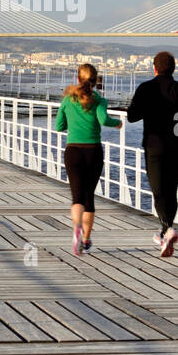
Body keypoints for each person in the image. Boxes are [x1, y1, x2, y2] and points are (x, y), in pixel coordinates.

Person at [126, 51, 178, 258]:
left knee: (158, 190)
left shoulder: (145, 88)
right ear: (173, 69)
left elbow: (132, 116)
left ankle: (166, 230)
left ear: (154, 68)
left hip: (154, 145)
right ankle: (166, 231)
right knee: (171, 188)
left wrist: (145, 110)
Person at [54, 62, 121, 256]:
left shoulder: (68, 99)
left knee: (77, 196)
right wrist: (117, 123)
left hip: (73, 151)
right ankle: (85, 240)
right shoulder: (99, 100)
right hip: (93, 151)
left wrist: (73, 125)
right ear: (95, 80)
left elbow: (59, 126)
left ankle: (76, 227)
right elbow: (104, 120)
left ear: (78, 78)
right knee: (89, 197)